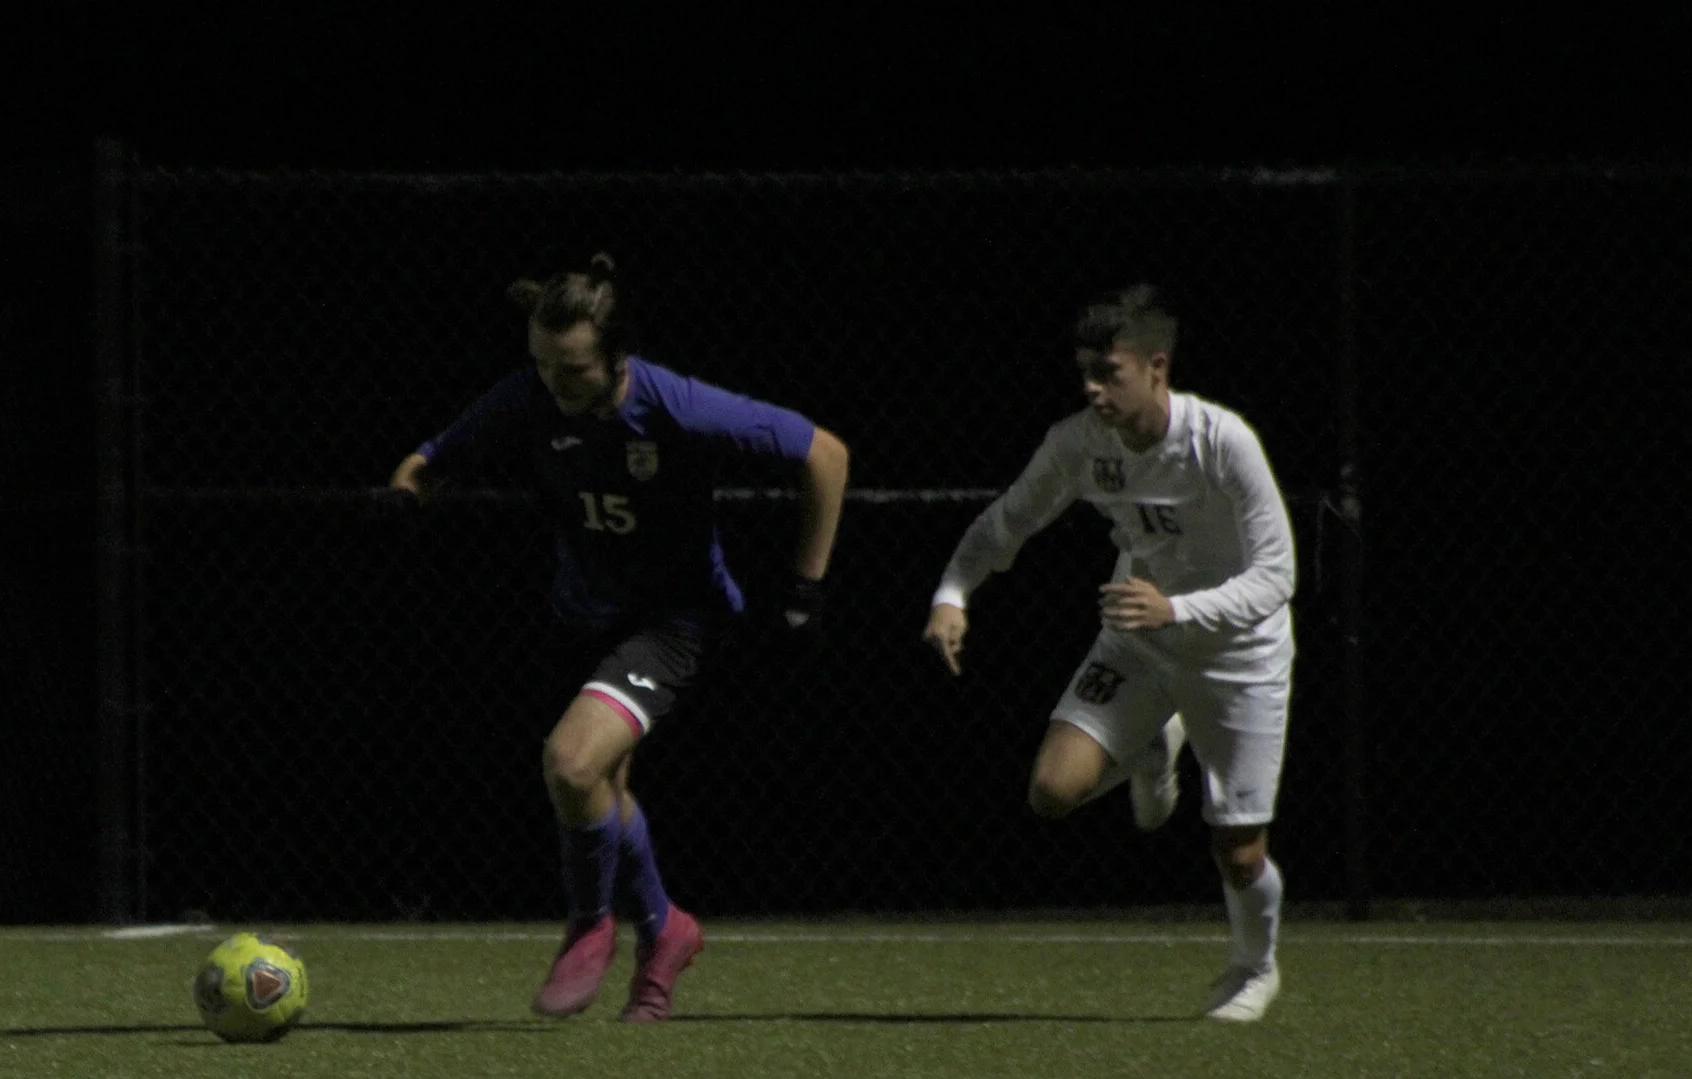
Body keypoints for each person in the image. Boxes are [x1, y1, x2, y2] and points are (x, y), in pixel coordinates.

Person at [387, 254, 850, 1021]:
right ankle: (666, 931)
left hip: (676, 622)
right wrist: (408, 493)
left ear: (616, 358)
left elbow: (826, 455)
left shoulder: (674, 405)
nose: (553, 384)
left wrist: (806, 587)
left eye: (572, 370)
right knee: (597, 787)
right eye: (541, 364)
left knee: (571, 765)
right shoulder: (531, 395)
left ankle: (589, 925)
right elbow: (429, 459)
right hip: (584, 618)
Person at [921, 285, 1295, 1022]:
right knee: (1052, 790)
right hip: (1138, 642)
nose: (1093, 389)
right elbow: (1008, 521)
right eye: (1085, 373)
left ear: (1157, 367)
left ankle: (1254, 969)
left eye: (1108, 372)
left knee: (1239, 851)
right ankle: (1152, 748)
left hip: (1237, 654)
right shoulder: (1078, 443)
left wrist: (1176, 608)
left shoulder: (1223, 442)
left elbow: (1277, 574)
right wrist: (952, 593)